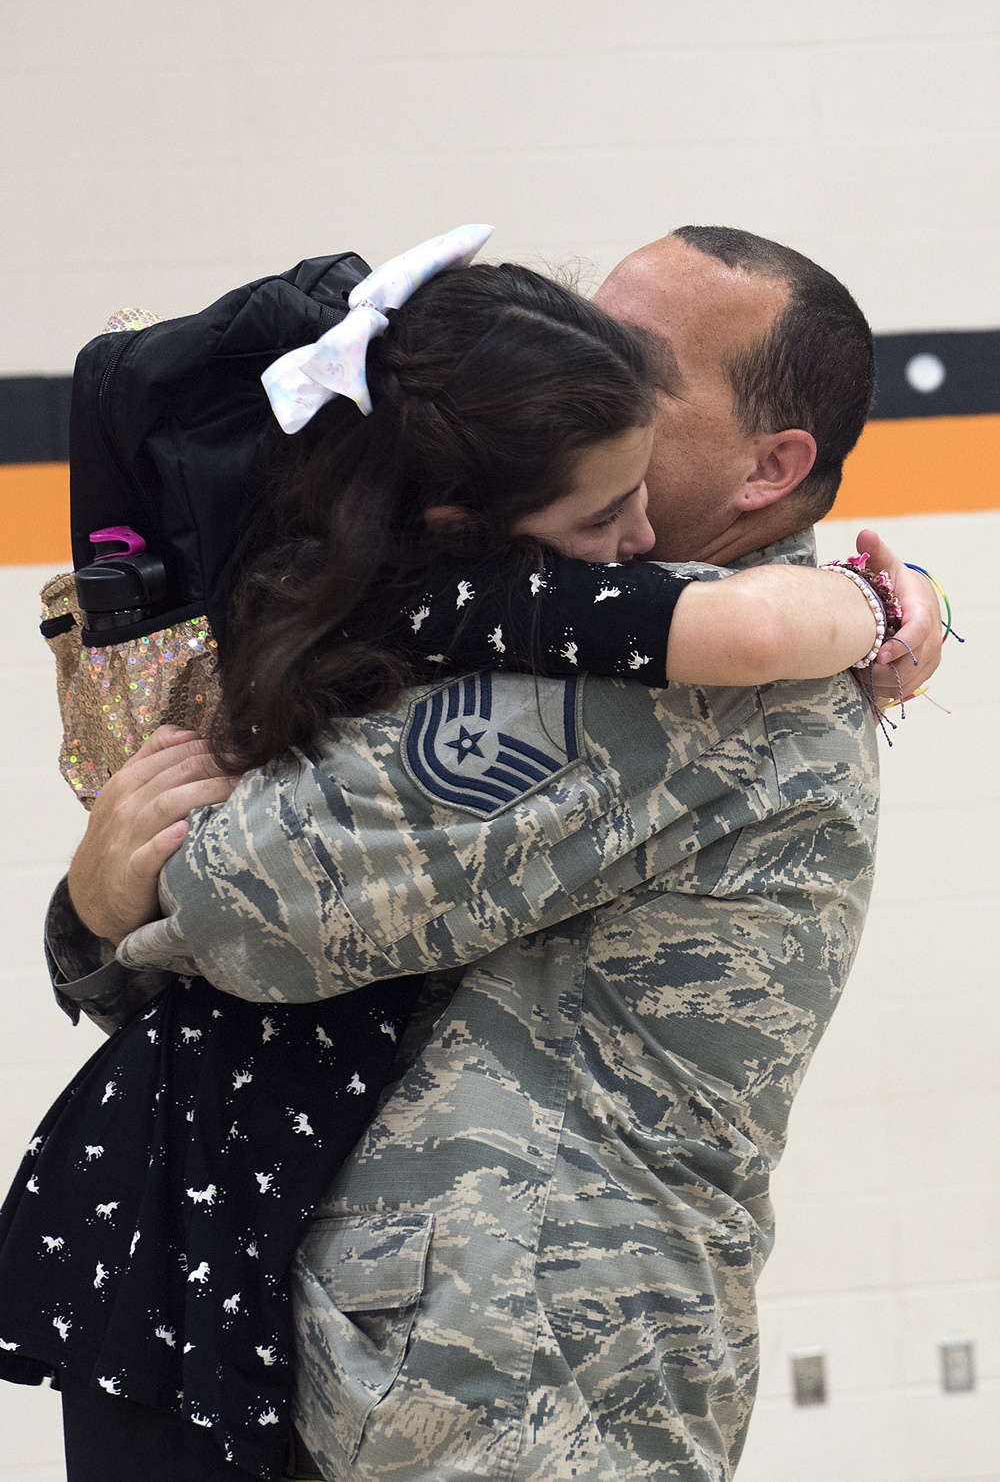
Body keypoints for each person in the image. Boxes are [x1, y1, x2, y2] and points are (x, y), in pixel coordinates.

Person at [39, 227, 942, 1481]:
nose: (588, 373)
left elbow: (251, 894)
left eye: (636, 359)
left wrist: (105, 898)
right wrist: (91, 912)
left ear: (766, 466)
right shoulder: (556, 620)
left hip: (519, 1387)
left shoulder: (689, 683)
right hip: (459, 1370)